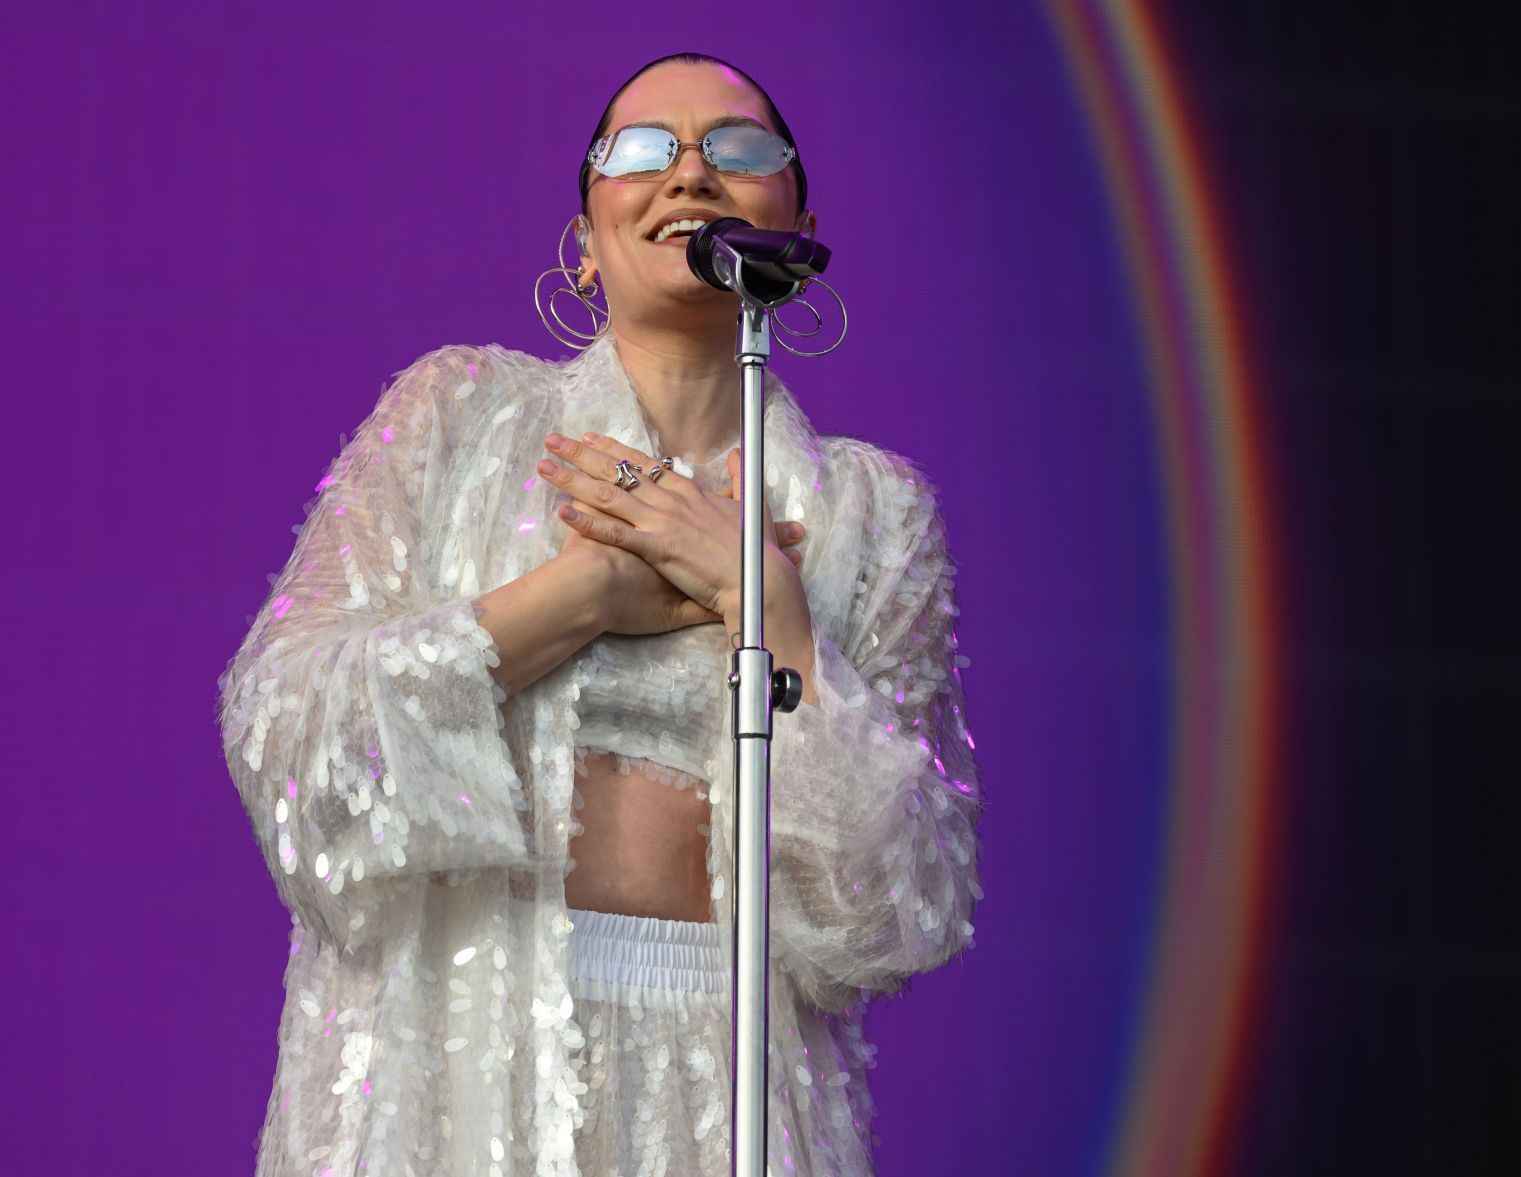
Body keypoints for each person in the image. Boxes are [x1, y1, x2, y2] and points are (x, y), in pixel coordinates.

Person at [216, 52, 984, 1176]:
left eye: (737, 149)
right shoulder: (457, 418)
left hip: (732, 1088)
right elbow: (287, 730)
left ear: (799, 223)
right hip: (457, 1066)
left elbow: (899, 909)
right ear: (583, 238)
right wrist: (586, 595)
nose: (688, 174)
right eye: (640, 151)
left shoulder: (872, 513)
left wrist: (770, 613)